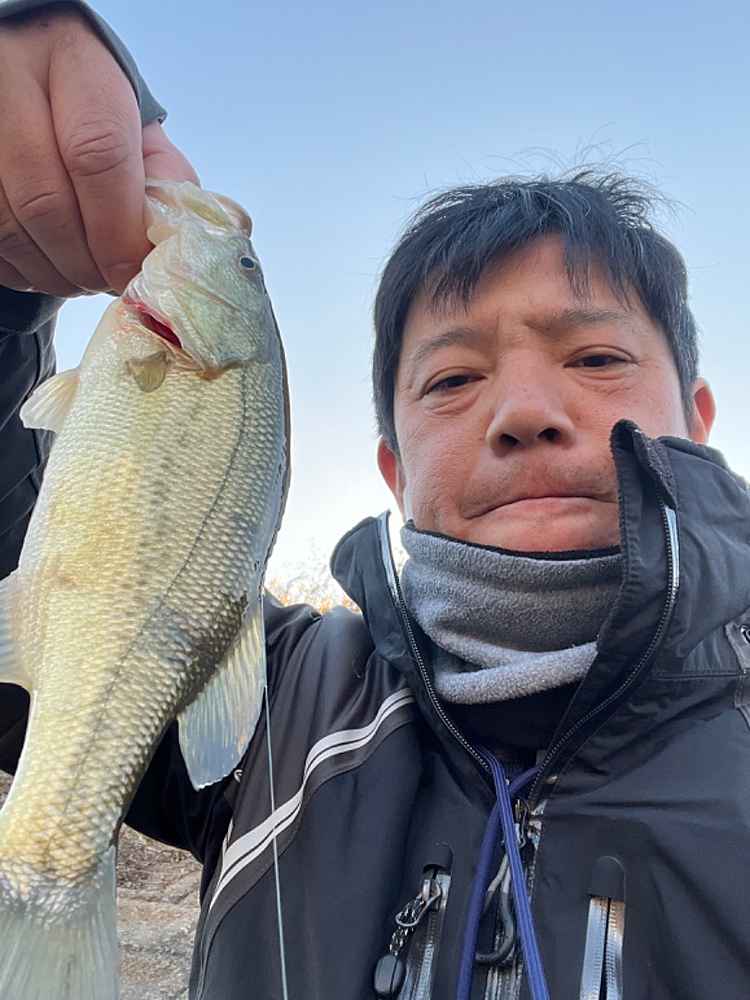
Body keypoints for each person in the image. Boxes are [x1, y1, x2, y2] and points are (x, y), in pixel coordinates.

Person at [1, 4, 749, 1000]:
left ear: (696, 421)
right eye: (454, 379)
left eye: (597, 358)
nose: (525, 412)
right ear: (394, 470)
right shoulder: (280, 707)